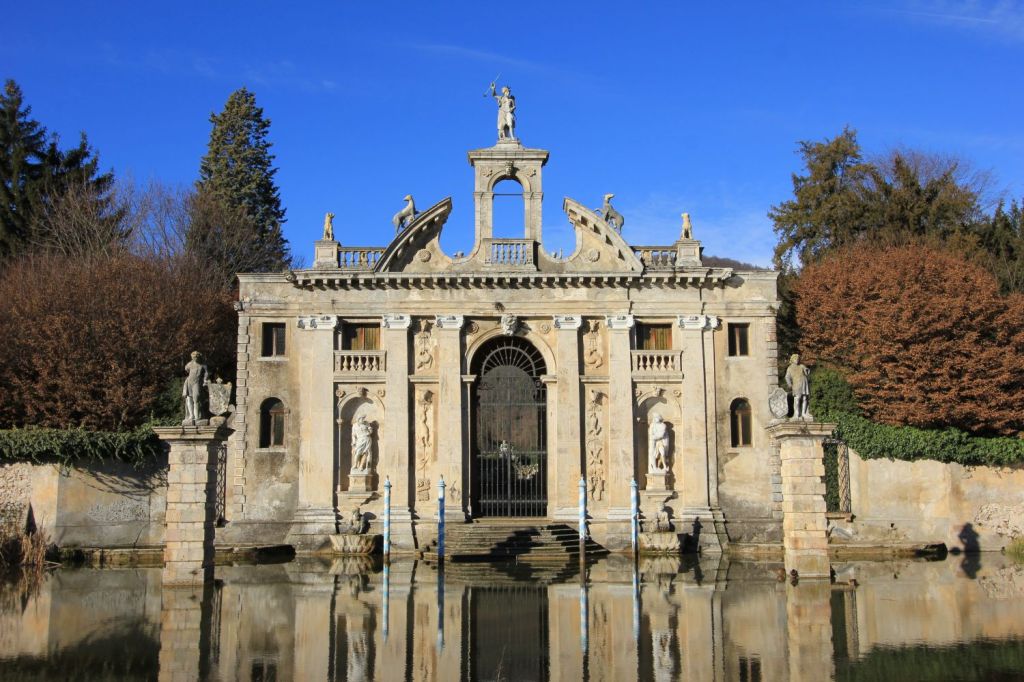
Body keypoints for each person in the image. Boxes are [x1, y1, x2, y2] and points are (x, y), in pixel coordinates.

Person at [182, 351, 207, 424]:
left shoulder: (203, 365)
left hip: (197, 383)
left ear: (199, 357)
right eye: (193, 357)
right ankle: (191, 415)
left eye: (196, 357)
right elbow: (186, 369)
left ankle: (197, 416)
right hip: (189, 382)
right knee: (189, 398)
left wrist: (205, 380)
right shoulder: (190, 364)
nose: (194, 358)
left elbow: (206, 373)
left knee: (196, 398)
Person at [786, 353, 812, 419]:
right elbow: (787, 377)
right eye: (795, 359)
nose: (797, 360)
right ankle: (797, 413)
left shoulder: (801, 366)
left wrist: (806, 370)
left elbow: (807, 372)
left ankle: (804, 413)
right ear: (792, 360)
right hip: (796, 384)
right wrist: (789, 384)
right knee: (797, 398)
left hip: (804, 383)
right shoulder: (790, 368)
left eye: (798, 359)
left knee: (805, 398)